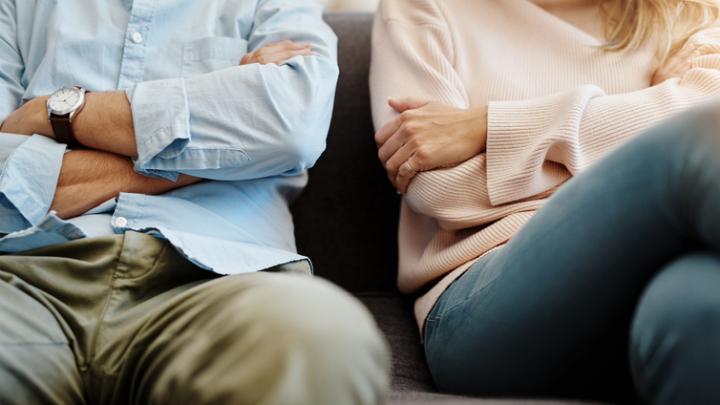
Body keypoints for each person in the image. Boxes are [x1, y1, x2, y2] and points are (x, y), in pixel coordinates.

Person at [0, 0, 390, 404]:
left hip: (221, 281)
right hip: (26, 275)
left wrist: (55, 114)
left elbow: (292, 126)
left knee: (322, 334)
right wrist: (225, 140)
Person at [370, 0, 720, 403]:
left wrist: (490, 126)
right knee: (693, 139)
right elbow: (440, 190)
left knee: (700, 305)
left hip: (653, 276)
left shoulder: (683, 10)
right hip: (487, 305)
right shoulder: (425, 8)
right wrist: (628, 137)